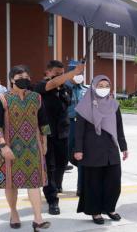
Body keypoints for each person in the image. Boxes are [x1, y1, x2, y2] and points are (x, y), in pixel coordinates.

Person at [0, 65, 51, 231]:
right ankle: (14, 212)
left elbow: (43, 122)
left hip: (33, 148)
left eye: (26, 76)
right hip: (9, 148)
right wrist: (3, 146)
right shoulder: (1, 99)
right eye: (19, 77)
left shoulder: (37, 98)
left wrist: (44, 143)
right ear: (11, 80)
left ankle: (38, 219)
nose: (24, 79)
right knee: (11, 184)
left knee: (34, 183)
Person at [73, 75, 128, 225]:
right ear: (93, 87)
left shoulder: (114, 105)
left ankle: (110, 208)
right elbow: (79, 131)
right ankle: (95, 212)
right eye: (100, 85)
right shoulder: (84, 106)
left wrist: (124, 147)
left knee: (114, 182)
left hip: (111, 149)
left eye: (106, 86)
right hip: (92, 150)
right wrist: (78, 150)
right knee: (94, 183)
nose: (103, 89)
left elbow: (119, 128)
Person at [34, 60, 85, 215]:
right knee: (49, 167)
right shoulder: (41, 87)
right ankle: (52, 200)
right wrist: (74, 72)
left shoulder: (65, 89)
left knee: (62, 163)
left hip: (63, 132)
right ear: (48, 72)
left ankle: (56, 185)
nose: (60, 76)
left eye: (62, 73)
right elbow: (53, 83)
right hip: (46, 134)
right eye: (57, 73)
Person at [66, 60, 88, 196]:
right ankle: (57, 185)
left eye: (82, 72)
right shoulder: (64, 89)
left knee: (82, 157)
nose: (80, 75)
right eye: (77, 72)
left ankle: (81, 187)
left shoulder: (86, 90)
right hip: (69, 124)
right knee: (68, 154)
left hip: (83, 125)